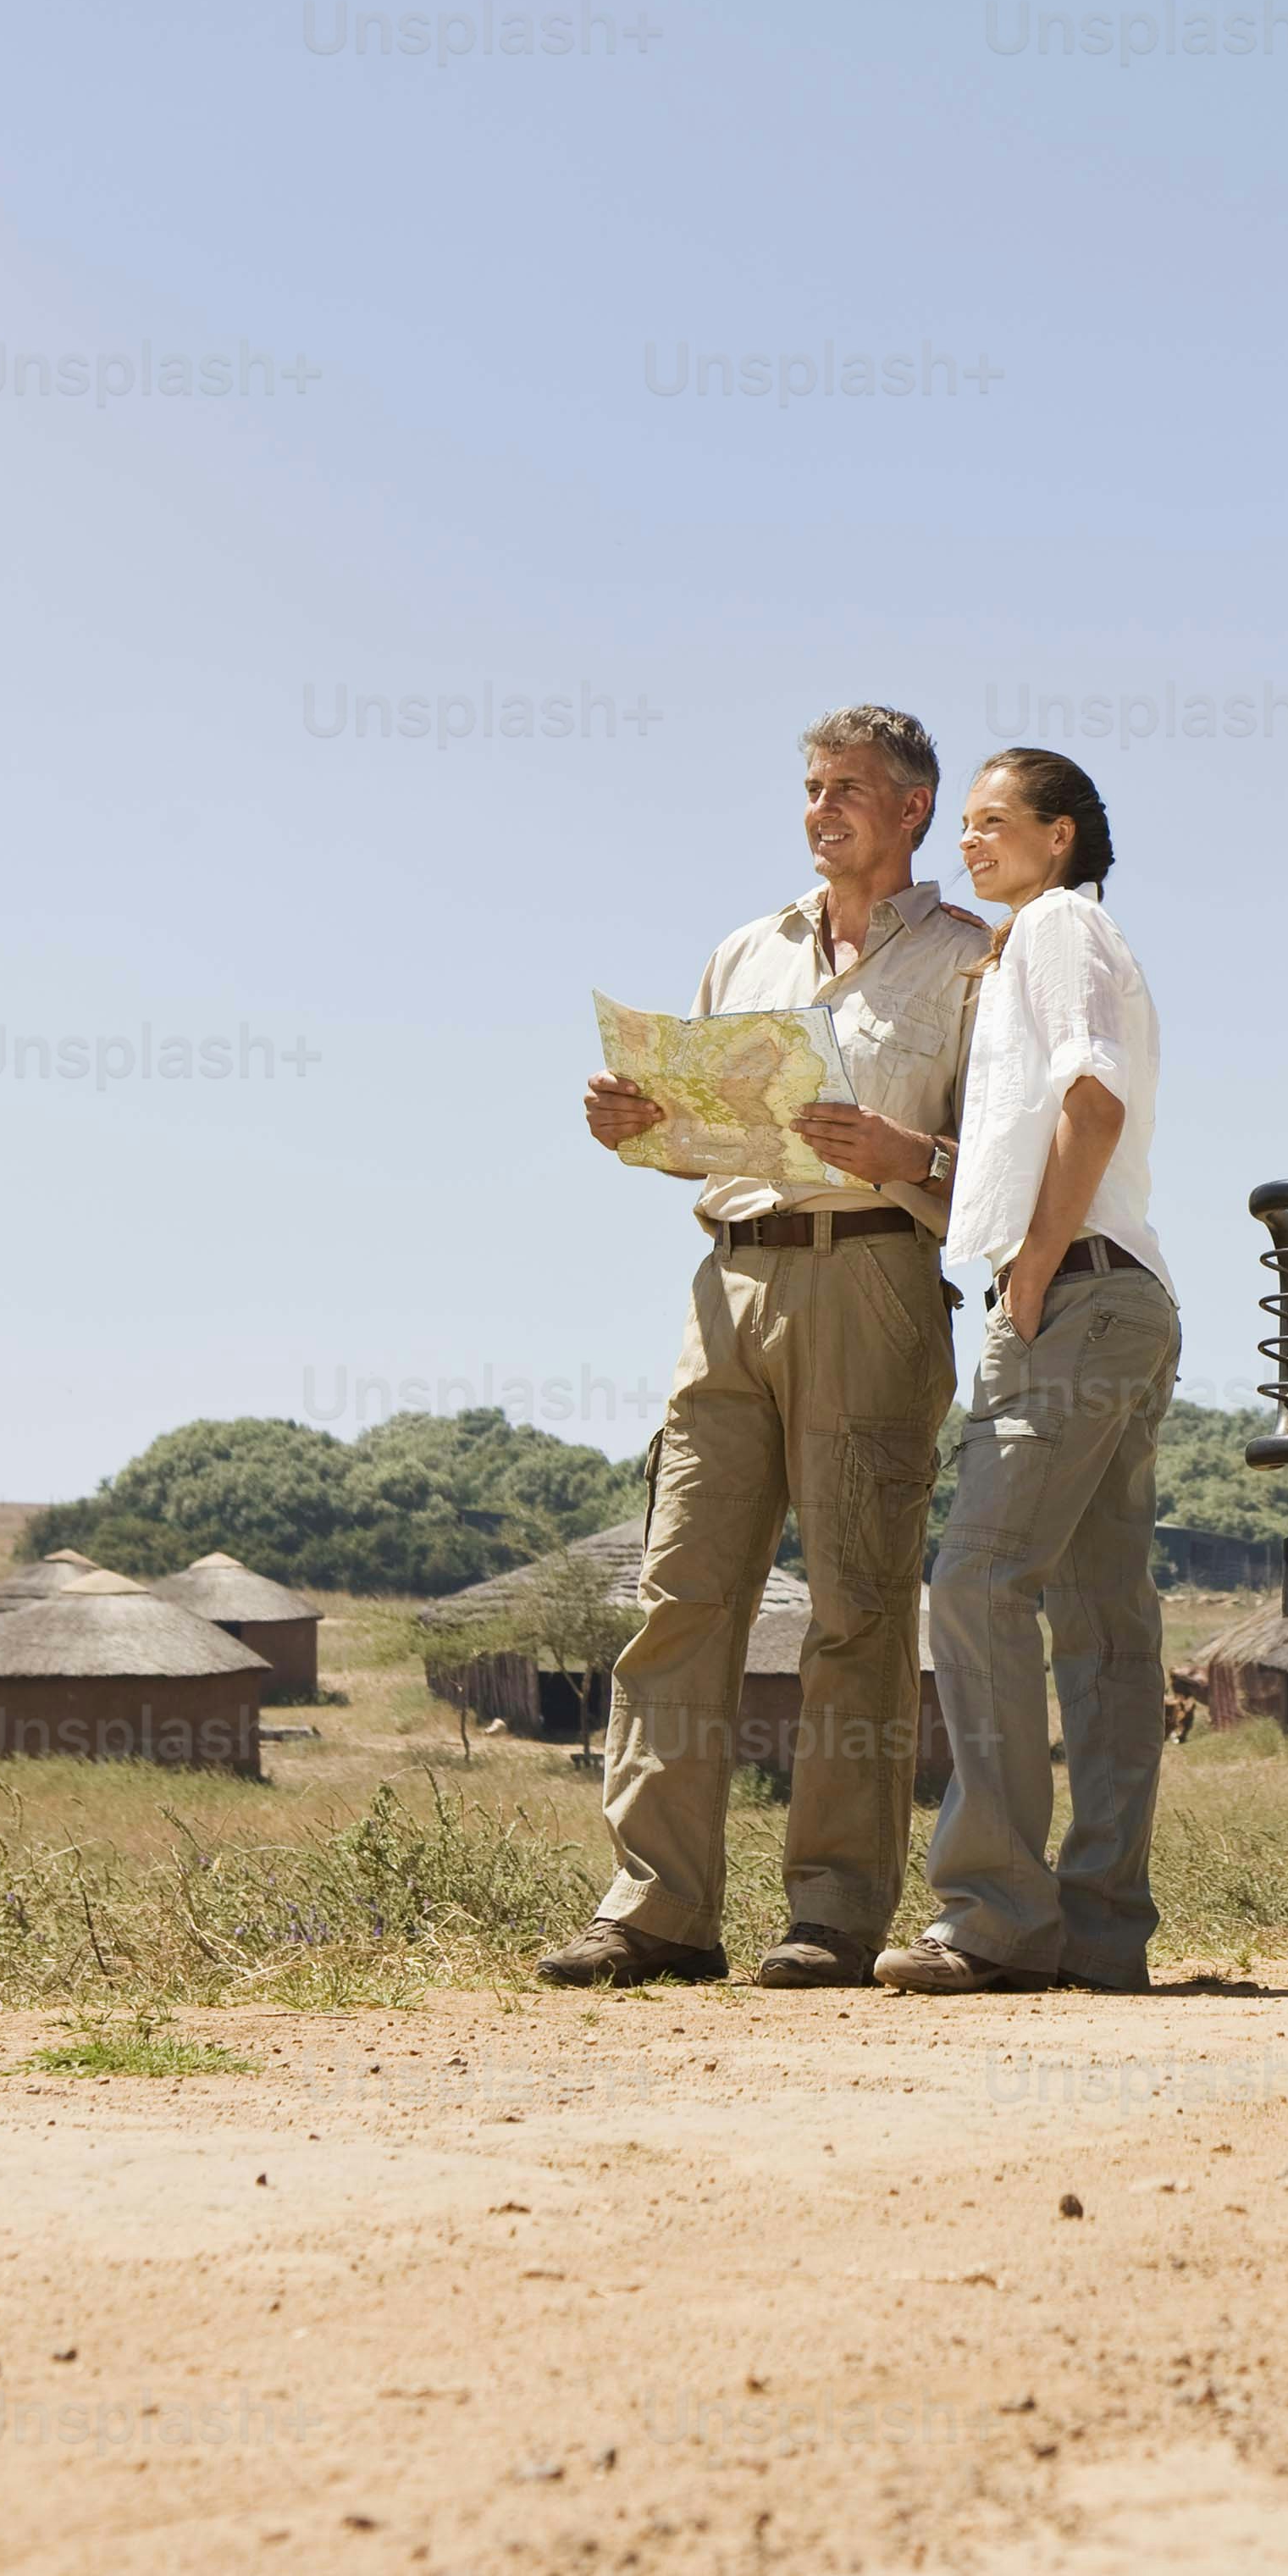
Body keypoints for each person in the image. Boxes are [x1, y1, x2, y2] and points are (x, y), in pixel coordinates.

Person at [539, 706, 990, 1991]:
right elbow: (700, 1137)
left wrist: (913, 1158)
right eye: (810, 786)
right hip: (727, 1284)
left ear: (915, 808)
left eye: (849, 786)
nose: (821, 806)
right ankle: (656, 1910)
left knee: (857, 1610)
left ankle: (835, 1915)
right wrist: (636, 1123)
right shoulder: (744, 951)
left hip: (878, 1278)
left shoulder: (971, 962)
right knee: (680, 1594)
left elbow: (1001, 1173)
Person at [876, 747, 1180, 1996]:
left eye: (993, 821)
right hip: (1121, 1297)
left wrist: (1033, 1267)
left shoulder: (1056, 923)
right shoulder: (1051, 944)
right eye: (965, 826)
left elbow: (1091, 1103)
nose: (969, 843)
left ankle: (996, 1909)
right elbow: (1040, 1135)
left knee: (979, 1579)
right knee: (1104, 1623)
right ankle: (1101, 1931)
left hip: (1076, 1296)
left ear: (1061, 836)